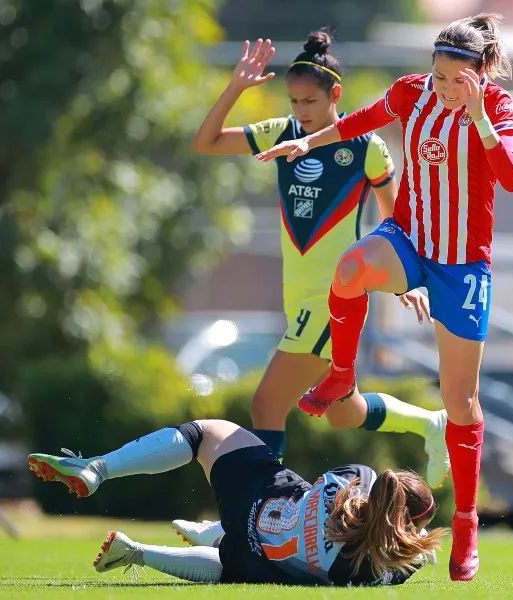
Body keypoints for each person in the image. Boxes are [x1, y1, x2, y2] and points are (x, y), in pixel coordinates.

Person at [256, 13, 513, 581]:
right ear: (431, 66)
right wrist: (307, 141)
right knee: (350, 269)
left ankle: (468, 522)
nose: (449, 90)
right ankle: (342, 375)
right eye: (443, 77)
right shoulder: (411, 93)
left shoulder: (494, 107)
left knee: (461, 400)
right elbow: (357, 122)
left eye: (461, 82)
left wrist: (476, 117)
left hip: (461, 266)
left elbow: (512, 177)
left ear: (479, 75)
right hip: (409, 240)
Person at [190, 31, 449, 487]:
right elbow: (206, 143)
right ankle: (432, 423)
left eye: (309, 101)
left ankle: (257, 505)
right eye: (293, 101)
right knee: (343, 413)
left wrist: (406, 279)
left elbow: (395, 219)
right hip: (299, 298)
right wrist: (236, 87)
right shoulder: (281, 134)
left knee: (266, 405)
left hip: (333, 299)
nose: (300, 111)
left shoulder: (365, 146)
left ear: (336, 95)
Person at [27, 420, 446, 586]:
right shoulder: (372, 569)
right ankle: (141, 551)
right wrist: (418, 548)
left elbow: (349, 492)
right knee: (233, 567)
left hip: (263, 496)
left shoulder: (356, 480)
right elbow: (394, 558)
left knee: (206, 433)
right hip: (258, 551)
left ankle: (99, 468)